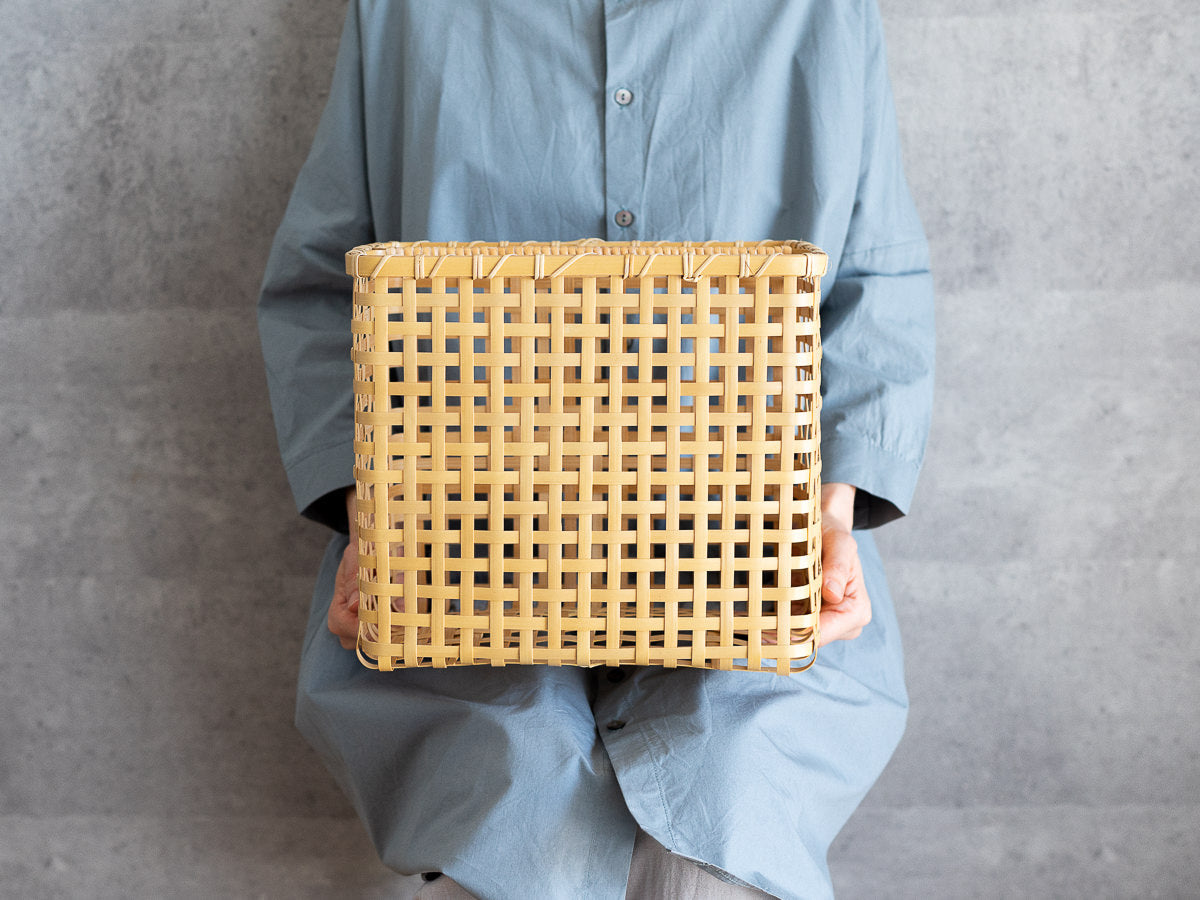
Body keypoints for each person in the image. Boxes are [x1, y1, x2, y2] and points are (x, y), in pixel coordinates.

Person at [257, 1, 934, 897]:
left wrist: (830, 512)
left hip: (750, 562)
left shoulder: (822, 11)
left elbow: (876, 281)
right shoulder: (407, 12)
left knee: (721, 815)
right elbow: (317, 286)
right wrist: (367, 519)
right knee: (517, 808)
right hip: (465, 562)